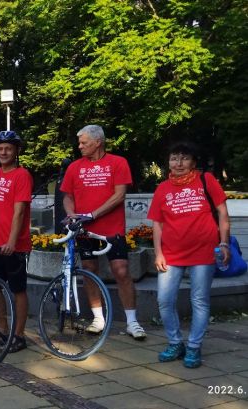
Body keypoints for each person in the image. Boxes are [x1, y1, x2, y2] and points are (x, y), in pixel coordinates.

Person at [148, 142, 230, 368]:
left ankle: (194, 346)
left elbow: (223, 213)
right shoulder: (163, 188)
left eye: (184, 158)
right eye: (174, 158)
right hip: (171, 253)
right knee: (164, 300)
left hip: (203, 251)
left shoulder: (206, 180)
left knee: (199, 300)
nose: (179, 163)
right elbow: (157, 224)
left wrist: (224, 243)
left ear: (193, 162)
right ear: (168, 162)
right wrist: (158, 253)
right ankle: (175, 343)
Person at [61, 124, 146, 340]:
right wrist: (72, 214)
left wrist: (93, 214)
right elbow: (67, 196)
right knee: (89, 270)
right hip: (84, 230)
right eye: (79, 143)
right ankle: (98, 318)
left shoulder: (118, 162)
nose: (80, 146)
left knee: (121, 271)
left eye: (84, 142)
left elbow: (119, 195)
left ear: (98, 142)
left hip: (111, 229)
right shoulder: (74, 167)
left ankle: (132, 322)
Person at [0, 131, 33, 352]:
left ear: (16, 151)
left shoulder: (22, 175)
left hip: (14, 245)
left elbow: (19, 212)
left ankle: (19, 335)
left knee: (18, 290)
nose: (3, 152)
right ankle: (2, 329)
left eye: (8, 148)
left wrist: (12, 241)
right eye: (0, 148)